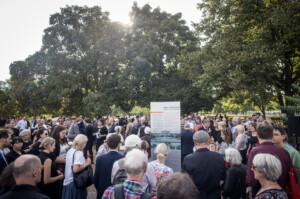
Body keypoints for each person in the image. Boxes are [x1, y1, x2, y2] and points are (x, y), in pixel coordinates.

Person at [246, 124, 293, 197]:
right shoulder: (283, 152)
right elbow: (292, 176)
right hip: (280, 192)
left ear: (257, 135)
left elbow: (251, 180)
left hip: (261, 193)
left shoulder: (255, 152)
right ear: (272, 136)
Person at [182, 130, 226, 199]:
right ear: (208, 141)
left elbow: (185, 182)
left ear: (194, 141)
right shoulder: (218, 157)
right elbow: (223, 177)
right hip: (214, 195)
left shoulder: (188, 159)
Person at [94, 134, 124, 199]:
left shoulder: (100, 158)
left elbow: (96, 178)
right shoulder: (123, 159)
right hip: (117, 192)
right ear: (118, 144)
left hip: (102, 191)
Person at [62, 134, 91, 199]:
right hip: (75, 183)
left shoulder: (70, 150)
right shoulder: (79, 153)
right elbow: (75, 169)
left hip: (67, 181)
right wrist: (87, 163)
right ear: (83, 143)